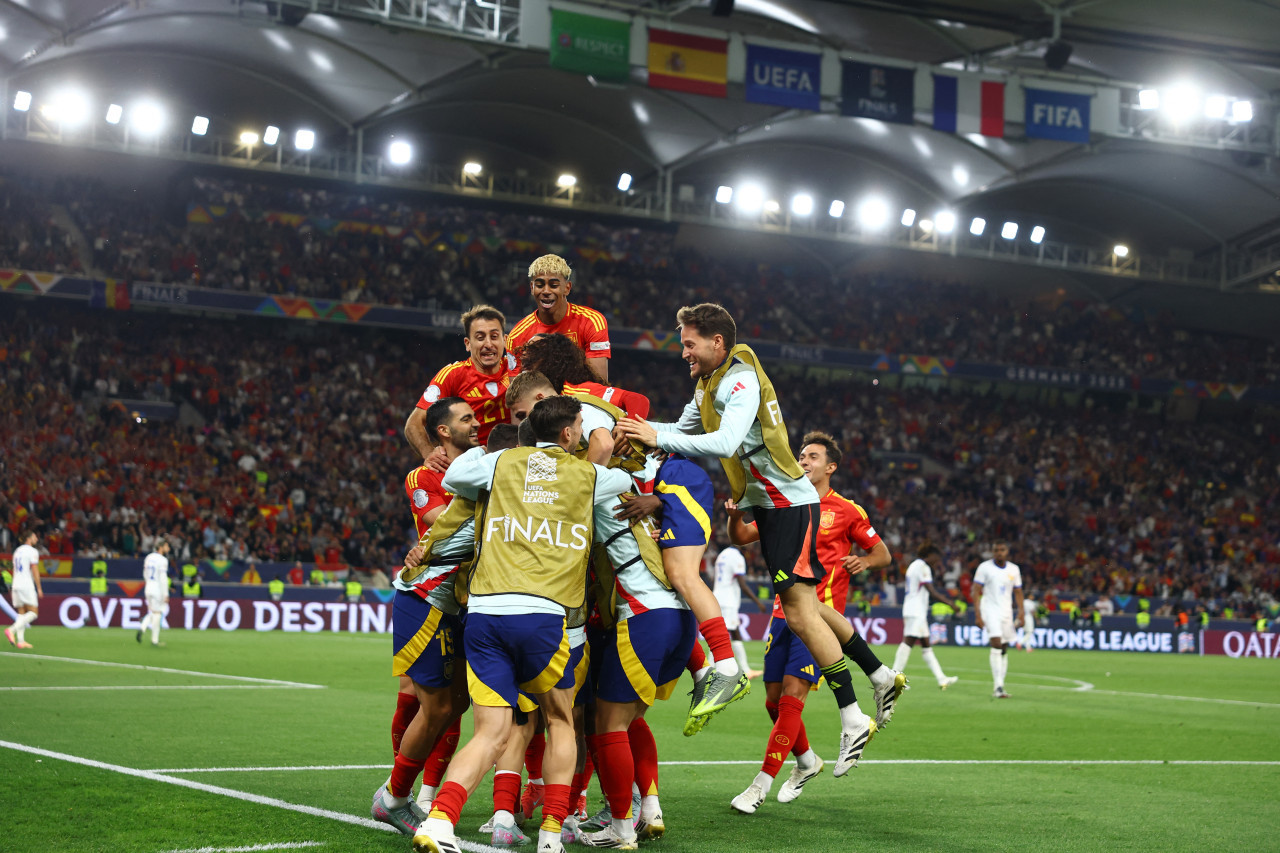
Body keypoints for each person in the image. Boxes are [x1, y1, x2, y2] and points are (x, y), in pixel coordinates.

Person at [618, 305, 899, 779]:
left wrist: (652, 435)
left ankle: (853, 714)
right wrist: (638, 433)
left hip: (787, 504)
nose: (683, 351)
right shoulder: (706, 385)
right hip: (770, 508)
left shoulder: (739, 380)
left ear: (717, 344)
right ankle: (879, 677)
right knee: (804, 612)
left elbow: (725, 442)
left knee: (803, 616)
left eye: (690, 343)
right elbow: (677, 433)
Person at [412, 396, 633, 853]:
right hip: (543, 617)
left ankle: (439, 821)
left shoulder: (500, 464)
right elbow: (623, 475)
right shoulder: (588, 475)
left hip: (487, 614)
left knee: (490, 732)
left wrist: (486, 452)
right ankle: (552, 834)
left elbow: (454, 476)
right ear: (569, 434)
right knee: (559, 720)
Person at [724, 431, 894, 814]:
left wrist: (864, 561)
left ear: (830, 467)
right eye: (801, 455)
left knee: (790, 699)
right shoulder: (783, 502)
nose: (804, 460)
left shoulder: (847, 510)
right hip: (783, 614)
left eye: (813, 456)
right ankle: (806, 761)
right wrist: (736, 518)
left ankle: (760, 784)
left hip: (821, 617)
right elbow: (742, 538)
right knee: (772, 700)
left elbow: (881, 552)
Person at [405, 304, 516, 461]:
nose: (488, 344)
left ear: (505, 341)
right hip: (471, 466)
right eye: (480, 337)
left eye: (494, 336)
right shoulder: (453, 375)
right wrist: (429, 453)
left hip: (512, 462)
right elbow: (414, 423)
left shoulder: (516, 369)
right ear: (467, 343)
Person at [507, 255, 611, 382]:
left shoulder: (592, 322)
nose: (546, 291)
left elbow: (599, 384)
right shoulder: (517, 336)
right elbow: (516, 393)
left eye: (553, 285)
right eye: (539, 285)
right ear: (532, 288)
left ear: (567, 288)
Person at [518, 333, 649, 418]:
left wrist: (629, 431)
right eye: (524, 349)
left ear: (552, 358)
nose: (524, 354)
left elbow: (637, 400)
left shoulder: (580, 390)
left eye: (533, 350)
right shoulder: (524, 396)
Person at [891, 543, 959, 688]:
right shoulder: (923, 567)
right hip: (915, 611)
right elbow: (932, 591)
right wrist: (950, 603)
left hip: (916, 610)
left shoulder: (914, 565)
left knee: (926, 646)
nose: (937, 561)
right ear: (929, 555)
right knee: (908, 642)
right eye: (936, 558)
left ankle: (941, 679)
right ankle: (893, 679)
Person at [973, 541, 1025, 699]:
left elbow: (1018, 592)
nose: (999, 553)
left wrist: (1021, 612)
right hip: (990, 610)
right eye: (996, 550)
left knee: (1003, 647)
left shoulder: (1014, 569)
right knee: (996, 643)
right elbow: (976, 591)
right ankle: (998, 687)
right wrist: (978, 614)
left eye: (1002, 550)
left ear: (1007, 551)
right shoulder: (984, 567)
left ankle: (1001, 685)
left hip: (1006, 612)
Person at [710, 544, 764, 679]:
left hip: (717, 597)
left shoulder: (722, 554)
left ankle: (710, 667)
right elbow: (742, 583)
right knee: (734, 633)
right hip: (728, 600)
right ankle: (746, 670)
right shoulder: (737, 556)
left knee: (720, 633)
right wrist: (757, 602)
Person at [5, 530, 41, 649]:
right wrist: (39, 588)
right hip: (26, 584)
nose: (36, 538)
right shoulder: (32, 551)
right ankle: (11, 630)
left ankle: (21, 641)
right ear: (29, 538)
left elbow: (15, 570)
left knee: (21, 613)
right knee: (33, 613)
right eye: (35, 536)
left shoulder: (17, 551)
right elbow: (34, 570)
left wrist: (13, 587)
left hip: (16, 584)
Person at [138, 539, 171, 646]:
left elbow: (145, 574)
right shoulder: (163, 560)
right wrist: (165, 594)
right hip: (158, 589)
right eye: (166, 546)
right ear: (160, 547)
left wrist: (148, 584)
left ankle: (142, 628)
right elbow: (163, 578)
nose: (168, 548)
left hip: (148, 587)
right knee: (157, 614)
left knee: (152, 612)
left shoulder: (149, 557)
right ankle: (154, 640)